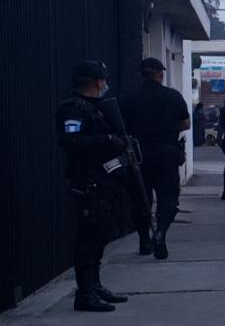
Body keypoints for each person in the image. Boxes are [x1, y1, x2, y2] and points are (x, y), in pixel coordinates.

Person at [56, 61, 131, 312]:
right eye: (102, 79)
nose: (105, 84)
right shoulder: (73, 109)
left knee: (100, 235)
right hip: (88, 181)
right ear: (97, 81)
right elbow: (72, 141)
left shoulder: (95, 108)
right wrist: (107, 140)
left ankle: (95, 284)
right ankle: (85, 292)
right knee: (88, 238)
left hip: (104, 179)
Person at [120, 58, 191, 260]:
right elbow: (185, 123)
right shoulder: (172, 96)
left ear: (141, 75)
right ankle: (160, 233)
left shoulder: (128, 98)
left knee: (141, 200)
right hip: (166, 154)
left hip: (138, 156)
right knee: (168, 198)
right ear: (160, 74)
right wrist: (166, 128)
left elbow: (120, 126)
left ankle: (144, 240)